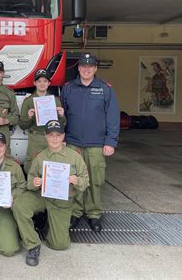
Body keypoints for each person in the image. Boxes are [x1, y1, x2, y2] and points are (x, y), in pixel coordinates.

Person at [12, 120, 89, 266]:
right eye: (51, 135)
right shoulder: (40, 156)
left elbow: (86, 181)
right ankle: (33, 244)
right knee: (20, 205)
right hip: (41, 195)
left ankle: (49, 224)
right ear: (46, 136)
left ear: (63, 136)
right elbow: (29, 181)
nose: (54, 138)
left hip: (62, 201)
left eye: (58, 135)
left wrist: (76, 180)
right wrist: (34, 182)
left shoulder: (75, 156)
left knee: (59, 245)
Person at [60, 53, 120, 232]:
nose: (86, 69)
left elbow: (113, 117)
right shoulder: (69, 88)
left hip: (96, 144)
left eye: (90, 66)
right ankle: (75, 212)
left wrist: (111, 141)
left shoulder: (105, 89)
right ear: (78, 68)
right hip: (72, 143)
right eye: (83, 66)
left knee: (95, 180)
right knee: (75, 179)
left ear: (95, 69)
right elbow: (62, 116)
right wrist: (62, 138)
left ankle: (94, 214)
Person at [19, 69, 66, 174]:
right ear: (34, 83)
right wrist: (28, 117)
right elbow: (22, 125)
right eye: (39, 81)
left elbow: (62, 125)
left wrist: (62, 116)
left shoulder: (55, 100)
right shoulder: (28, 101)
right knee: (32, 168)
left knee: (52, 168)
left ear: (49, 83)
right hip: (35, 138)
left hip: (52, 139)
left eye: (45, 81)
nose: (42, 84)